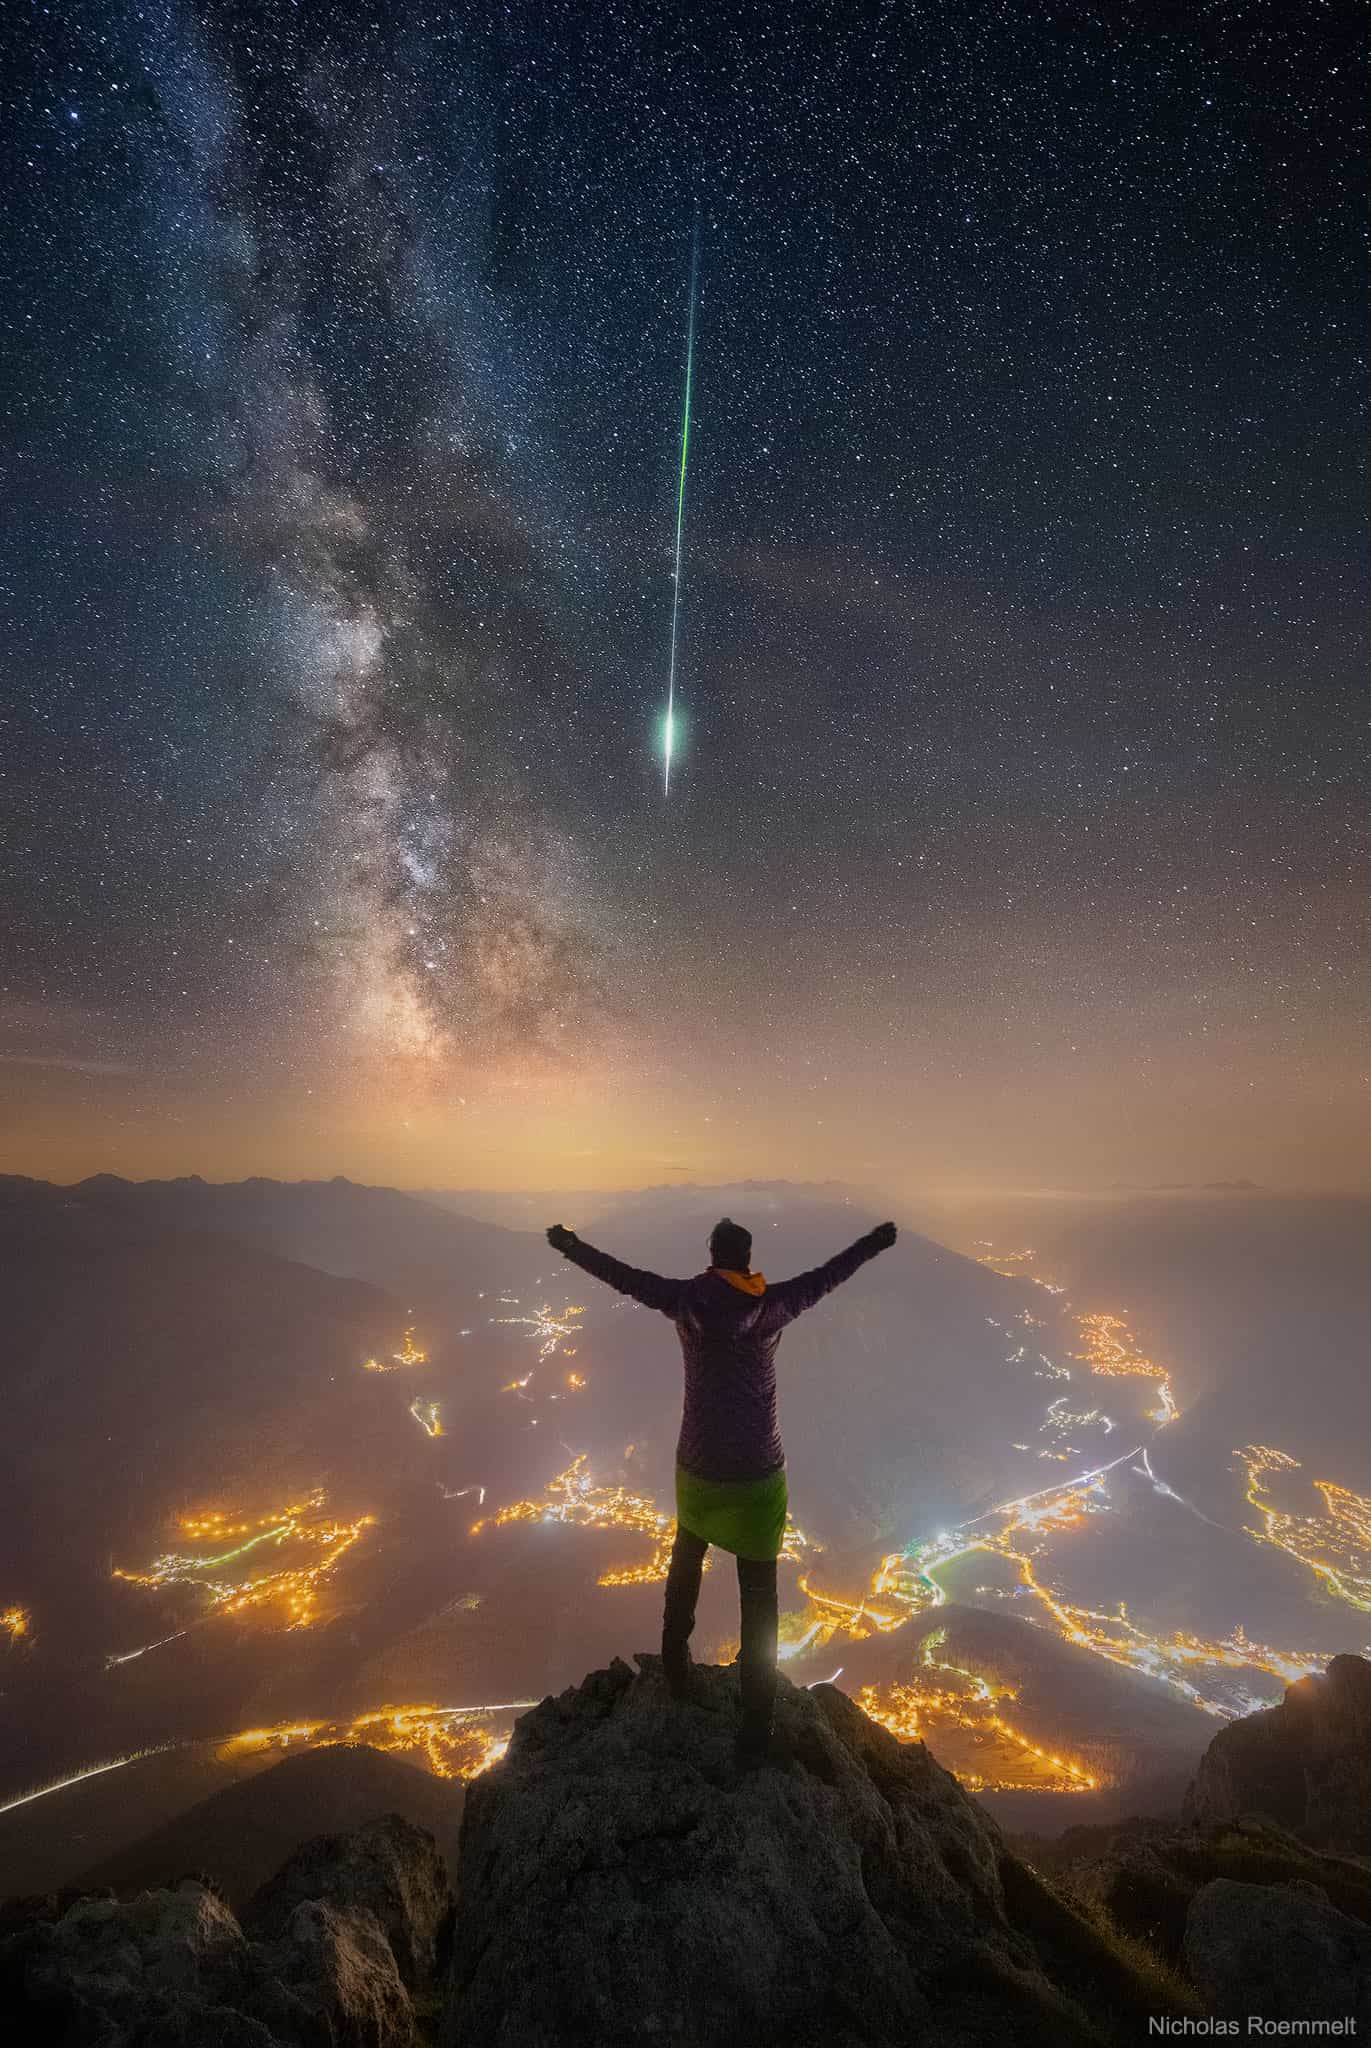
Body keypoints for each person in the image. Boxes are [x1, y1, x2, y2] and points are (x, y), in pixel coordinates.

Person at [544, 1212, 898, 1768]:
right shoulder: (771, 1305)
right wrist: (875, 1242)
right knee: (759, 1598)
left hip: (699, 1467)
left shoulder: (686, 1300)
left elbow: (622, 1275)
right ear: (749, 1260)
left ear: (711, 1256)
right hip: (758, 1474)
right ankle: (756, 1731)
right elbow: (831, 1275)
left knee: (687, 1558)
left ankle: (675, 1663)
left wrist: (569, 1245)